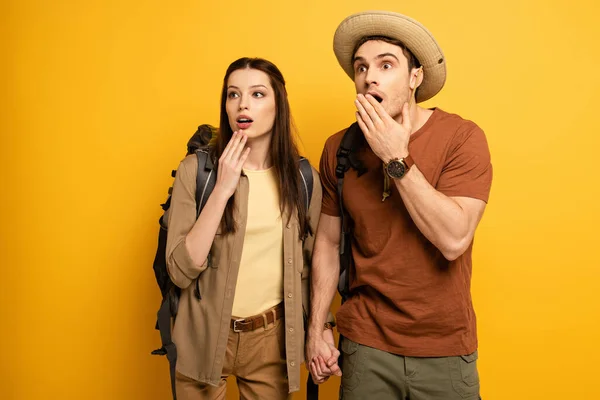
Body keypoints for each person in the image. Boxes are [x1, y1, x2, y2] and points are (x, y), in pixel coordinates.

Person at [306, 11, 493, 400]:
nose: (369, 77)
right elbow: (326, 242)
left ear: (414, 77)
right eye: (361, 68)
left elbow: (454, 238)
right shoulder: (338, 148)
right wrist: (318, 326)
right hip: (366, 343)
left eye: (386, 65)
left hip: (444, 349)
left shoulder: (462, 138)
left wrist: (398, 158)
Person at [165, 57, 332, 399]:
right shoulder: (196, 172)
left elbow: (317, 262)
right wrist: (224, 189)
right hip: (204, 333)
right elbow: (180, 271)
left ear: (278, 105)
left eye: (257, 94)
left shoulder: (302, 179)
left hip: (271, 340)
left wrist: (323, 328)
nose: (243, 104)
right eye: (233, 95)